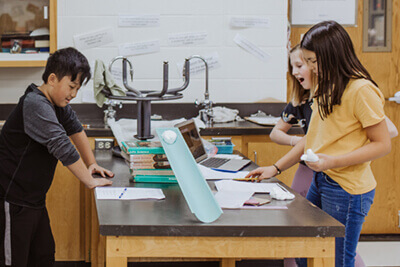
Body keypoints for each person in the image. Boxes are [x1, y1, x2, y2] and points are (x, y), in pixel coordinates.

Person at [249, 20, 392, 266]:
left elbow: (382, 144)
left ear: (333, 55)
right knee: (305, 254)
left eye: (314, 62)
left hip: (347, 189)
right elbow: (311, 140)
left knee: (338, 260)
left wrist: (333, 161)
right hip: (322, 181)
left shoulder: (360, 90)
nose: (311, 69)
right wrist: (276, 168)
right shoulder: (324, 88)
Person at [0, 47, 114, 266]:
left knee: (44, 257)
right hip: (12, 202)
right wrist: (89, 181)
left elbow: (75, 129)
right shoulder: (35, 104)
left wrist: (92, 164)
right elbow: (62, 145)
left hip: (34, 201)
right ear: (52, 79)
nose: (73, 94)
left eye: (77, 89)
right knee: (15, 261)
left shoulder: (57, 104)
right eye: (71, 86)